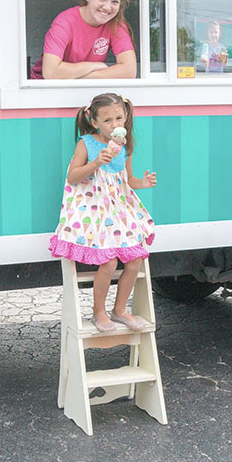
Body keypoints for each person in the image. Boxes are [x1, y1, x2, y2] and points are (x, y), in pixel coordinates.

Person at [49, 92, 156, 332]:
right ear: (94, 122)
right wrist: (96, 162)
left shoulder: (125, 146)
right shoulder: (86, 143)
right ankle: (100, 312)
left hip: (117, 210)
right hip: (92, 208)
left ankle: (120, 310)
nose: (115, 125)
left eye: (119, 118)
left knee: (135, 259)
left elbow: (127, 179)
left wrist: (143, 182)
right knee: (108, 262)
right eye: (108, 120)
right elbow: (73, 176)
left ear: (126, 118)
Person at [30, 0, 137, 80]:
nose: (107, 7)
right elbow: (51, 72)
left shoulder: (115, 24)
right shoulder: (64, 22)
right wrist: (94, 66)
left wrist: (84, 76)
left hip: (84, 86)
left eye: (115, 1)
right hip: (43, 88)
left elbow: (129, 71)